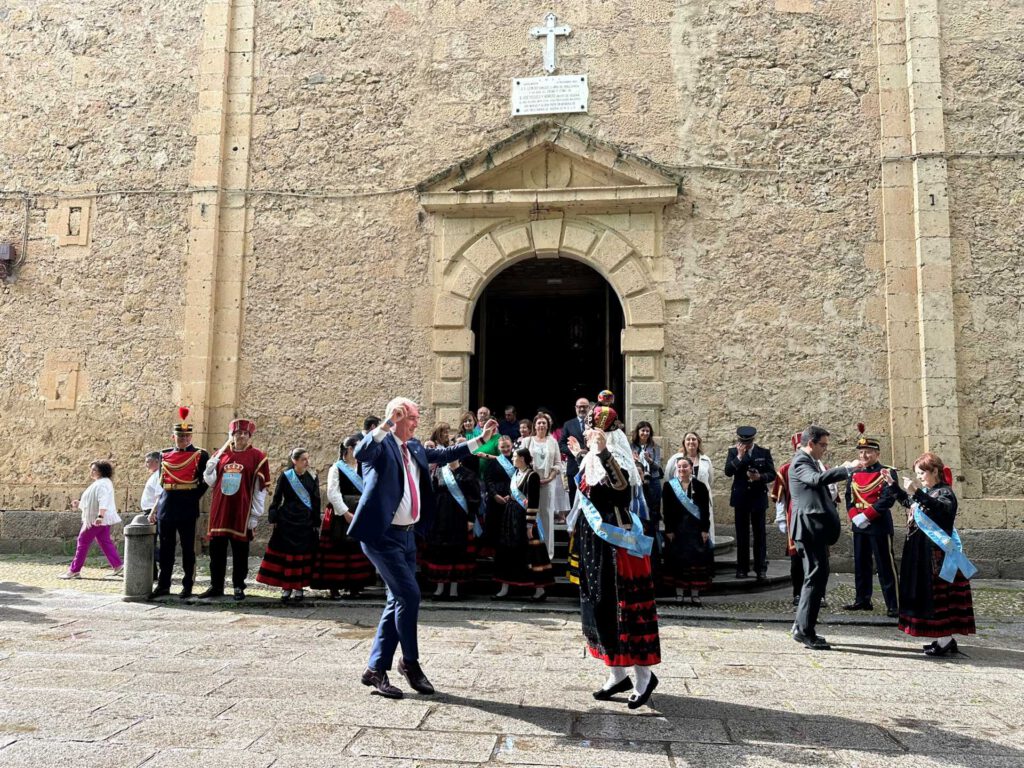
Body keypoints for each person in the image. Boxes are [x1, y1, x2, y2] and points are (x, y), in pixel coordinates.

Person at [348, 397, 497, 699]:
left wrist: (479, 440)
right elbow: (362, 452)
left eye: (416, 418)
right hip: (381, 535)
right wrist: (387, 423)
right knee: (410, 595)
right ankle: (410, 663)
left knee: (397, 600)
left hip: (407, 536)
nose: (416, 423)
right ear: (398, 417)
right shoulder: (381, 446)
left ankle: (375, 669)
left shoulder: (415, 447)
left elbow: (445, 452)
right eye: (412, 418)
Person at [567, 404, 660, 709]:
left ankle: (644, 676)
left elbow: (619, 489)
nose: (586, 431)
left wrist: (603, 452)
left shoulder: (615, 457)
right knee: (598, 607)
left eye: (591, 429)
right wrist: (583, 454)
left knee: (623, 610)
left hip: (616, 547)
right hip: (594, 544)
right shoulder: (593, 458)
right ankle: (616, 675)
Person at [885, 452, 976, 656]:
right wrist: (893, 485)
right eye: (918, 474)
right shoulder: (928, 491)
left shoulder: (945, 493)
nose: (920, 477)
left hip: (937, 556)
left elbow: (940, 510)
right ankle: (944, 639)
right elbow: (909, 503)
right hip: (921, 553)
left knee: (938, 598)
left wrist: (917, 492)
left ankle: (944, 640)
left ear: (935, 471)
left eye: (922, 473)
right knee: (929, 596)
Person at [789, 425, 859, 650]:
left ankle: (803, 627)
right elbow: (816, 480)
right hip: (808, 528)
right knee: (814, 577)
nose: (825, 450)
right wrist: (845, 469)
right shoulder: (801, 461)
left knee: (818, 576)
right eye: (823, 445)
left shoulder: (810, 461)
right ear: (811, 443)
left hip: (815, 529)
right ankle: (804, 630)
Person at [200, 418, 270, 601]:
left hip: (242, 510)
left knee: (240, 551)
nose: (241, 436)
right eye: (237, 433)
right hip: (220, 510)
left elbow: (259, 489)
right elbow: (212, 482)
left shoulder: (257, 457)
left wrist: (255, 515)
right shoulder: (221, 455)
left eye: (245, 433)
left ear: (249, 436)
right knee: (216, 551)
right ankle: (216, 586)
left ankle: (239, 586)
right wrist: (209, 470)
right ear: (231, 435)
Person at [152, 407, 210, 599]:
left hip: (187, 505)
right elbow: (162, 481)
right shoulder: (164, 455)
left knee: (187, 550)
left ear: (191, 437)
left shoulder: (200, 455)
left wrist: (193, 497)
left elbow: (205, 481)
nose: (183, 439)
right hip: (167, 506)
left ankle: (187, 585)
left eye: (186, 436)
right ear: (174, 437)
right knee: (166, 549)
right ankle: (163, 585)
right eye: (180, 436)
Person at [843, 429, 901, 617]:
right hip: (859, 525)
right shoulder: (854, 474)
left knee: (885, 566)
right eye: (861, 452)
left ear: (877, 453)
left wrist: (866, 516)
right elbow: (848, 497)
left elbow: (887, 499)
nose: (864, 455)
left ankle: (894, 604)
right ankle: (862, 600)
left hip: (878, 524)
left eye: (868, 452)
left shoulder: (887, 472)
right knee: (861, 564)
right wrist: (854, 517)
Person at [312, 435, 375, 599]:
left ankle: (355, 585)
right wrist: (345, 512)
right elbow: (333, 493)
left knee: (356, 548)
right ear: (349, 450)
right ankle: (334, 587)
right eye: (357, 448)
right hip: (341, 515)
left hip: (360, 511)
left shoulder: (363, 467)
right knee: (337, 549)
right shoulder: (337, 468)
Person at [257, 448, 321, 602]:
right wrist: (274, 515)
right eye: (303, 459)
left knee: (302, 555)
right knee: (287, 555)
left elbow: (316, 500)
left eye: (307, 459)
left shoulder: (312, 477)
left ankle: (299, 587)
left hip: (305, 521)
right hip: (288, 520)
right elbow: (277, 497)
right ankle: (286, 587)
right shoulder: (286, 476)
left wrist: (315, 520)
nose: (307, 462)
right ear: (295, 461)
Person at [492, 445, 554, 600]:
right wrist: (509, 497)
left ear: (522, 459)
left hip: (524, 520)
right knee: (507, 551)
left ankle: (539, 590)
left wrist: (529, 524)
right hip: (510, 516)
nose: (512, 459)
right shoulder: (516, 474)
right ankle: (505, 586)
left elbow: (533, 501)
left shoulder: (532, 476)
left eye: (514, 457)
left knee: (531, 553)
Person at [423, 448, 479, 600]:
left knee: (456, 552)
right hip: (440, 518)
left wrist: (471, 519)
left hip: (458, 518)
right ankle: (440, 587)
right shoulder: (438, 472)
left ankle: (454, 588)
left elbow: (474, 498)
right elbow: (431, 494)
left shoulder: (467, 474)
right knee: (440, 551)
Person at [723, 426, 775, 580]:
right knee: (742, 534)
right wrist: (739, 457)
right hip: (741, 498)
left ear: (753, 440)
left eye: (748, 442)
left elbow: (772, 473)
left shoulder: (763, 452)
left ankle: (760, 568)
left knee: (759, 535)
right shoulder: (733, 452)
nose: (745, 444)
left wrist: (760, 477)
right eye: (742, 442)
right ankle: (742, 568)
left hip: (758, 497)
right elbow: (728, 472)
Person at [60, 460, 123, 579]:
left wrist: (100, 516)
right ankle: (118, 566)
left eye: (94, 469)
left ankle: (74, 570)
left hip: (96, 519)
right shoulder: (101, 483)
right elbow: (92, 500)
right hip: (100, 518)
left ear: (101, 471)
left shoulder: (102, 484)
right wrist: (80, 504)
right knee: (104, 542)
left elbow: (103, 500)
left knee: (82, 541)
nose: (91, 471)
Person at [662, 457, 712, 605]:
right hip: (677, 530)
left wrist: (705, 529)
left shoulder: (700, 486)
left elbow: (704, 510)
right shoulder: (669, 486)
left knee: (695, 563)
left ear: (691, 468)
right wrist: (669, 529)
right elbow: (666, 510)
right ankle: (679, 594)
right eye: (679, 467)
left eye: (685, 466)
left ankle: (695, 594)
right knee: (678, 563)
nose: (682, 469)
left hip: (695, 530)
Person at [520, 412, 570, 559]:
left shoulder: (552, 442)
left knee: (546, 515)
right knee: (530, 516)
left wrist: (549, 478)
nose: (541, 425)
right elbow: (520, 462)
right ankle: (530, 551)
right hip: (531, 483)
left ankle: (547, 552)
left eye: (544, 423)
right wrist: (532, 477)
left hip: (548, 483)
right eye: (539, 423)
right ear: (534, 425)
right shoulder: (527, 441)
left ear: (548, 425)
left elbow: (558, 464)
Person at [770, 432, 805, 606]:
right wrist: (781, 519)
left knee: (819, 560)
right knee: (796, 559)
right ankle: (797, 593)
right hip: (794, 519)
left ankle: (819, 595)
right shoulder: (785, 469)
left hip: (816, 521)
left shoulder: (820, 467)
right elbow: (780, 497)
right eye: (798, 448)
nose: (801, 451)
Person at [665, 431, 716, 547]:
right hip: (681, 501)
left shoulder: (705, 460)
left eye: (694, 439)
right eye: (688, 439)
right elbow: (668, 476)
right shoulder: (675, 459)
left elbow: (710, 480)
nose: (691, 442)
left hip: (700, 503)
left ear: (698, 442)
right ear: (684, 442)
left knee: (701, 535)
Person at [559, 397, 591, 505]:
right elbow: (561, 445)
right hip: (573, 467)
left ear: (589, 408)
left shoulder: (596, 424)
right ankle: (576, 522)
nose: (582, 409)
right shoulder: (568, 424)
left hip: (592, 467)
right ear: (575, 408)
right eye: (579, 407)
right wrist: (576, 452)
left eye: (585, 407)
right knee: (573, 498)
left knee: (591, 497)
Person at [140, 451, 162, 581]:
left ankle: (164, 558)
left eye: (148, 462)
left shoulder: (159, 475)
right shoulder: (154, 475)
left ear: (157, 462)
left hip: (152, 512)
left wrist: (153, 512)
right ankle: (152, 573)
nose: (146, 465)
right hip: (149, 511)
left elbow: (159, 496)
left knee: (150, 544)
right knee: (150, 543)